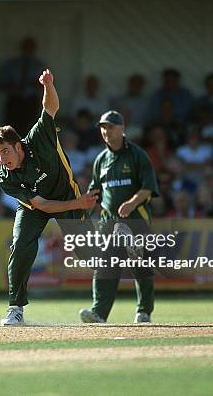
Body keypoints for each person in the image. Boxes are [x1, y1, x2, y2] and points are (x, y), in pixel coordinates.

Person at [0, 69, 99, 326]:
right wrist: (78, 203)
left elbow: (50, 108)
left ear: (18, 146)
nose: (2, 159)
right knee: (21, 245)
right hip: (38, 205)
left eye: (5, 151)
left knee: (88, 254)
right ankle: (15, 308)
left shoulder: (38, 138)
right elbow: (40, 205)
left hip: (65, 193)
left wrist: (48, 85)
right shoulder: (6, 178)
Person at [79, 110, 159, 323]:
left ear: (122, 129)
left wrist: (132, 202)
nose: (106, 131)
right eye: (103, 127)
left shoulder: (137, 155)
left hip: (136, 220)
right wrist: (83, 210)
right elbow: (95, 192)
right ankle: (99, 313)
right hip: (109, 222)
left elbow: (149, 187)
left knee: (140, 266)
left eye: (110, 127)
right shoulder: (101, 159)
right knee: (105, 266)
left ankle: (144, 311)